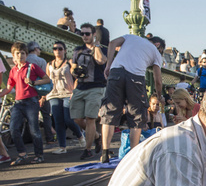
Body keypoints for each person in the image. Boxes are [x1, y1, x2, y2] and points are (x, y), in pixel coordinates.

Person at [99, 34, 164, 163]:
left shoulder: (131, 37)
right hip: (136, 77)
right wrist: (159, 95)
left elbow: (112, 43)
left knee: (110, 112)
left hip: (116, 72)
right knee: (137, 116)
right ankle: (133, 155)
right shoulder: (156, 52)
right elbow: (158, 80)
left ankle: (105, 154)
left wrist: (108, 66)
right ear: (158, 45)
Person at [0, 42, 51, 165]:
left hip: (31, 101)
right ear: (13, 55)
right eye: (17, 53)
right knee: (13, 128)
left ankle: (39, 155)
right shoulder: (13, 71)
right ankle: (22, 154)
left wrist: (33, 82)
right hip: (18, 103)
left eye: (23, 53)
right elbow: (8, 88)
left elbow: (47, 79)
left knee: (34, 130)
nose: (20, 56)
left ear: (26, 54)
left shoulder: (32, 67)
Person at [71, 23, 107, 160]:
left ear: (93, 35)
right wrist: (75, 72)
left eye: (87, 34)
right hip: (80, 87)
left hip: (95, 86)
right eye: (83, 34)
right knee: (77, 119)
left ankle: (87, 149)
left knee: (90, 118)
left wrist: (96, 45)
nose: (84, 36)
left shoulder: (100, 49)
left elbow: (100, 61)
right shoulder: (77, 50)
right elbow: (72, 68)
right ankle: (97, 137)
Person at [46, 41, 84, 154]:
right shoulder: (49, 64)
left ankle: (80, 135)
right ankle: (62, 147)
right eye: (55, 49)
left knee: (68, 119)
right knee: (58, 121)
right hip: (53, 94)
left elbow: (77, 76)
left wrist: (75, 90)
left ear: (65, 50)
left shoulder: (69, 63)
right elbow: (47, 80)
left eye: (60, 49)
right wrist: (43, 96)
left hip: (68, 93)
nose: (57, 51)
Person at [27, 41, 55, 145]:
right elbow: (45, 78)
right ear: (35, 49)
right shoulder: (41, 61)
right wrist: (43, 96)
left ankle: (33, 138)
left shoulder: (25, 61)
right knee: (46, 115)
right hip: (40, 90)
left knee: (31, 117)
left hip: (29, 92)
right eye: (39, 49)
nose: (40, 51)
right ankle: (49, 138)